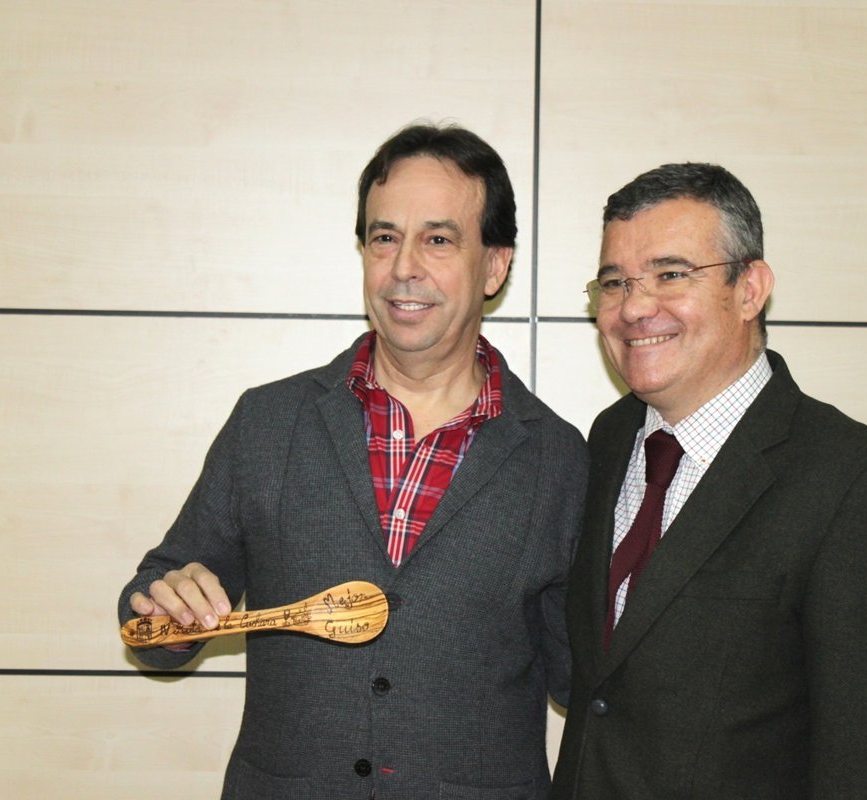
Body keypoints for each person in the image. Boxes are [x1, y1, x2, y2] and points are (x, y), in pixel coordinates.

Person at [119, 123, 588, 800]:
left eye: (438, 240)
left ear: (494, 266)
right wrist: (166, 608)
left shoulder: (559, 458)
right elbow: (153, 607)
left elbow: (584, 677)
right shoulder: (268, 423)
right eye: (384, 237)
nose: (403, 267)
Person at [551, 163, 867, 799]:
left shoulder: (861, 485)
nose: (635, 307)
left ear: (749, 289)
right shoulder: (608, 439)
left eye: (671, 275)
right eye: (615, 283)